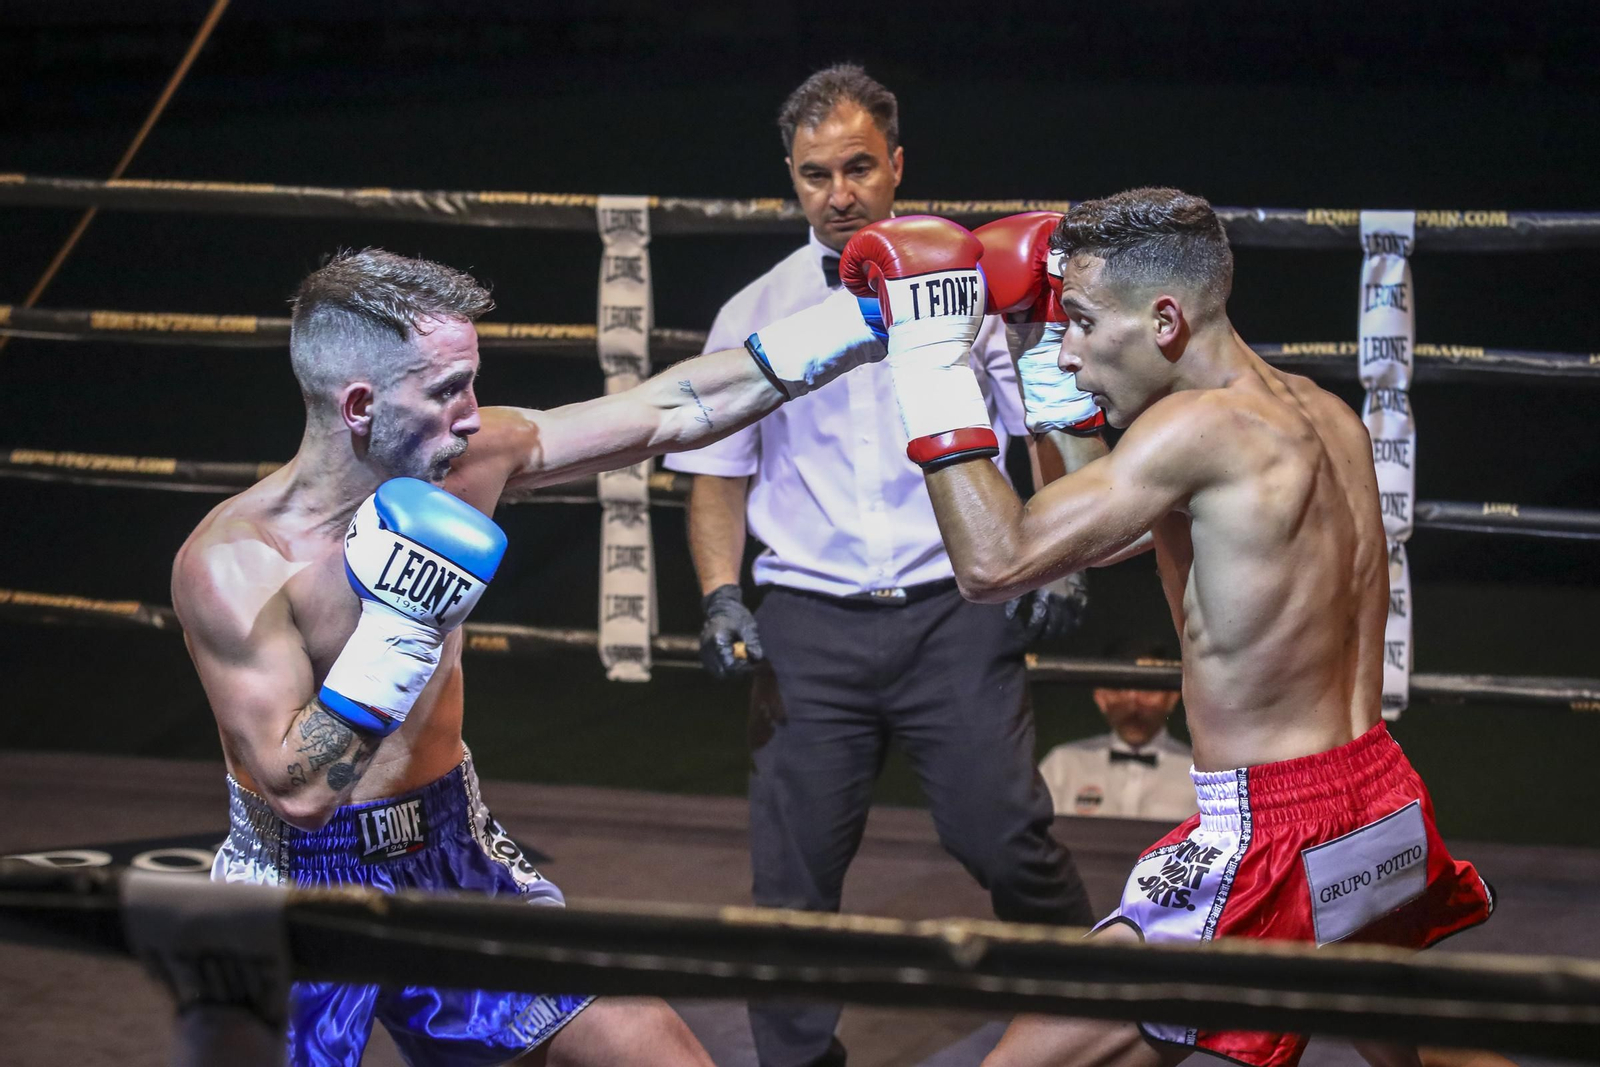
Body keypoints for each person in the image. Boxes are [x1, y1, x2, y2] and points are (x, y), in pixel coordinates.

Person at [169, 245, 900, 1067]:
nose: (472, 415)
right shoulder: (238, 562)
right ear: (361, 404)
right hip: (296, 885)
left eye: (471, 383)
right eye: (446, 390)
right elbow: (300, 791)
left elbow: (669, 408)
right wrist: (400, 625)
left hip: (448, 848)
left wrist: (861, 323)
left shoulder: (467, 463)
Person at [835, 192, 1495, 1067]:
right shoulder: (1321, 414)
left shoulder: (1194, 431)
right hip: (1376, 792)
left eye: (1079, 322)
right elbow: (1099, 525)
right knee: (1415, 1048)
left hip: (1270, 829)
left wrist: (929, 361)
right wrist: (1034, 347)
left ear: (1166, 319)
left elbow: (994, 562)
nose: (1068, 350)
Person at [662, 65, 1097, 1067]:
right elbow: (718, 475)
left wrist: (1061, 558)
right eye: (815, 174)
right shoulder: (755, 308)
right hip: (809, 622)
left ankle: (1099, 1010)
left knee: (1004, 834)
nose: (838, 193)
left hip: (958, 606)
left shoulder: (977, 289)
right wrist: (721, 594)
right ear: (791, 177)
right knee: (791, 877)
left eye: (858, 167)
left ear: (898, 164)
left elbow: (1044, 425)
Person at [1036, 643, 1196, 821]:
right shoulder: (1062, 765)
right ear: (1101, 697)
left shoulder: (1201, 773)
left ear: (1172, 697)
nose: (1133, 701)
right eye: (1119, 687)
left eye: (1148, 687)